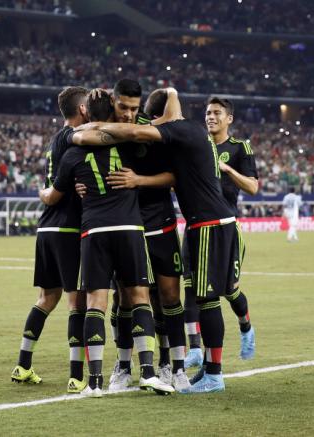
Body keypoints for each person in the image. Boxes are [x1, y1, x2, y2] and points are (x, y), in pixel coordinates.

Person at [77, 87, 240, 393]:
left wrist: (138, 180)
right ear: (114, 102)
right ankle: (124, 366)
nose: (128, 113)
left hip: (161, 221)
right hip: (127, 224)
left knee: (168, 298)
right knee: (125, 298)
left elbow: (175, 176)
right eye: (123, 107)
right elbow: (85, 152)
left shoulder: (157, 131)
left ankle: (173, 367)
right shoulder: (118, 126)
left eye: (133, 108)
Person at [40, 90, 175, 397]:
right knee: (140, 298)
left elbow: (55, 195)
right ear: (113, 112)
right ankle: (150, 373)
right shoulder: (129, 145)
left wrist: (44, 193)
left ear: (87, 112)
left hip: (94, 233)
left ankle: (96, 382)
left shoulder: (73, 149)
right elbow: (160, 132)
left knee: (95, 304)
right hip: (129, 227)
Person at [10, 86, 89, 394]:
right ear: (82, 109)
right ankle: (76, 375)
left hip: (46, 229)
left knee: (47, 299)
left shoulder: (54, 140)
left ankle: (23, 364)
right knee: (76, 302)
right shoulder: (74, 138)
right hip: (68, 228)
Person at [205, 97, 258, 360]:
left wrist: (226, 169)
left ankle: (246, 326)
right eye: (208, 113)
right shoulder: (199, 146)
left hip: (227, 227)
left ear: (229, 119)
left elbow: (252, 187)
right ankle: (198, 353)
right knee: (195, 290)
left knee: (229, 289)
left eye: (217, 113)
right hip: (200, 227)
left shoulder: (240, 147)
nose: (211, 117)